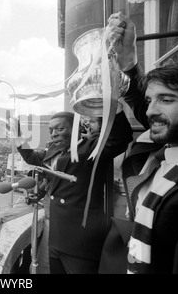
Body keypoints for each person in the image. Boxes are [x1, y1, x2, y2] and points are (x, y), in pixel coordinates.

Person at [99, 12, 178, 274]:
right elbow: (144, 104)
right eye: (151, 101)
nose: (150, 112)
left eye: (167, 99)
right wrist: (128, 61)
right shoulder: (164, 144)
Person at [16, 109, 133, 274]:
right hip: (56, 239)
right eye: (51, 131)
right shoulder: (53, 151)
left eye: (60, 129)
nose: (54, 134)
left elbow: (120, 137)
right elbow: (32, 158)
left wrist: (111, 104)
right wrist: (18, 136)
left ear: (77, 128)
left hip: (80, 244)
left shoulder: (91, 148)